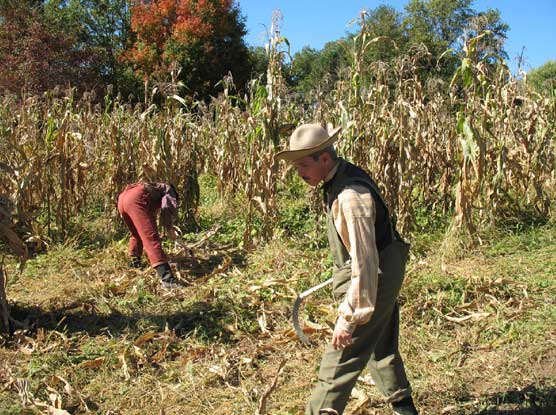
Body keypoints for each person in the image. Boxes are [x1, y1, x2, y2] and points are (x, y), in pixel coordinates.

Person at [275, 124, 419, 415]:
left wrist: (348, 319)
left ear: (324, 159)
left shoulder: (350, 196)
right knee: (381, 346)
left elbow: (366, 266)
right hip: (381, 270)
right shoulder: (340, 178)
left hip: (373, 278)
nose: (299, 172)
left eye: (303, 164)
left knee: (340, 360)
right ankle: (405, 410)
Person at [117, 182, 180, 289]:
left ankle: (134, 264)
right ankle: (168, 280)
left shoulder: (155, 190)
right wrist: (170, 229)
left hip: (122, 198)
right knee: (151, 238)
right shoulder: (169, 190)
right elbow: (166, 209)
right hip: (136, 198)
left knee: (137, 234)